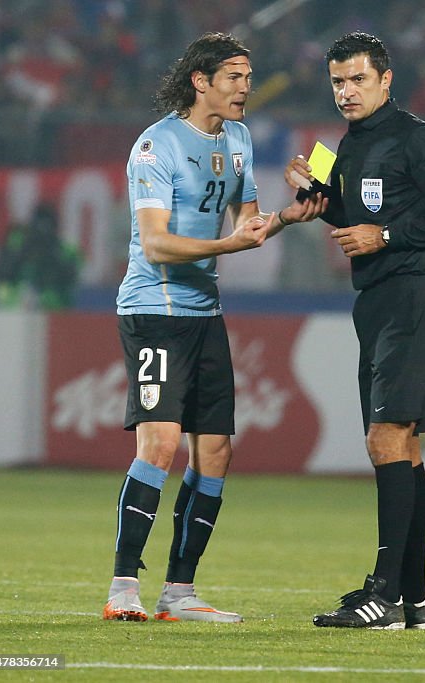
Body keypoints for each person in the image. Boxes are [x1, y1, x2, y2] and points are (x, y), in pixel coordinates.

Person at [104, 32, 323, 623]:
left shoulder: (240, 139)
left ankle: (179, 591)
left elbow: (248, 225)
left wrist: (289, 216)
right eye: (234, 76)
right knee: (161, 440)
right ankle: (124, 586)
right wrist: (228, 242)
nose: (245, 87)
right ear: (200, 80)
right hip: (154, 310)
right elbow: (154, 242)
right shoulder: (155, 147)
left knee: (217, 449)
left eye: (249, 77)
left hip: (204, 313)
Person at [283, 32, 425, 630]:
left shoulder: (416, 138)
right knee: (404, 448)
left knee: (384, 441)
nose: (346, 92)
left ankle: (385, 593)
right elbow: (358, 219)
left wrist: (387, 236)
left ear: (386, 79)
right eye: (338, 82)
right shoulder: (346, 146)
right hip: (376, 303)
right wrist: (320, 198)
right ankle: (413, 599)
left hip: (414, 300)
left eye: (358, 80)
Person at [0, 203, 81, 310]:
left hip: (52, 306)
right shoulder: (17, 242)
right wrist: (23, 253)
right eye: (38, 227)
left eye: (47, 228)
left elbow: (72, 281)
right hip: (13, 304)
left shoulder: (66, 251)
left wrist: (51, 258)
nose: (42, 234)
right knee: (2, 290)